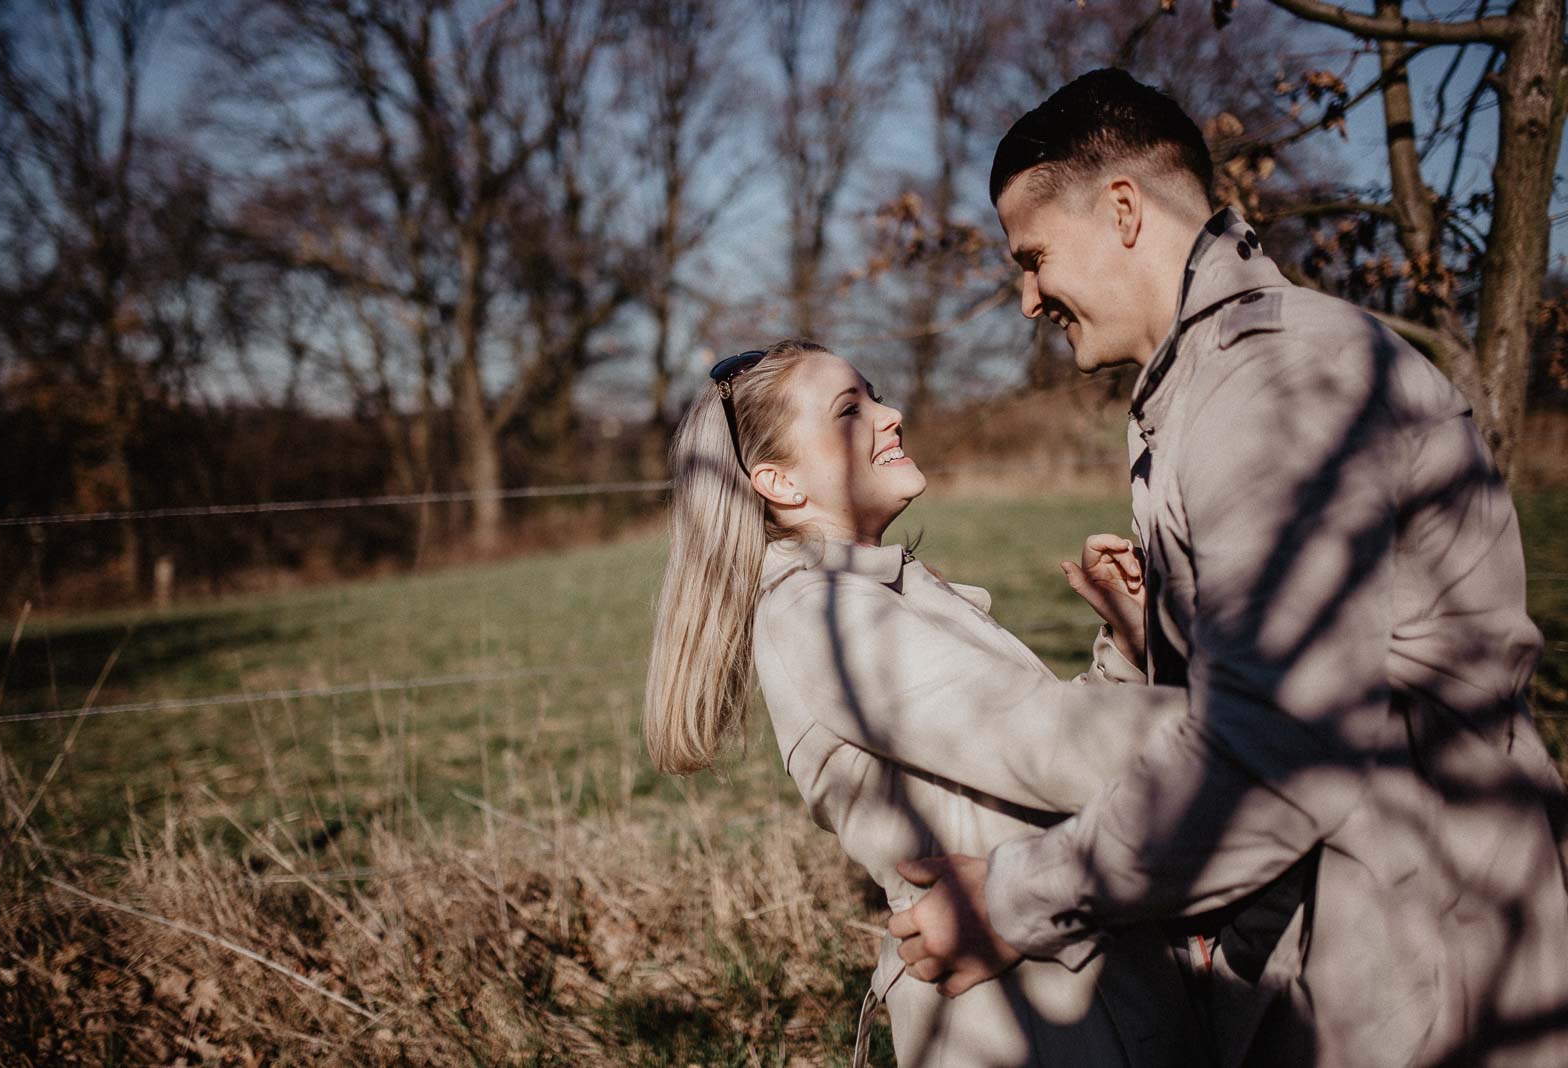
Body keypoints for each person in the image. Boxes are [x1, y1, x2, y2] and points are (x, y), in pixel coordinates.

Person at [888, 68, 1568, 1067]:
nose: (1027, 297)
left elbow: (1270, 753)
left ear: (1123, 209)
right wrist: (1158, 640)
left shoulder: (1277, 387)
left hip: (1423, 971)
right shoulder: (1202, 390)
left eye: (1032, 258)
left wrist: (1011, 898)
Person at [643, 338, 1204, 1066]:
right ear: (779, 483)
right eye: (851, 410)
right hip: (1033, 1018)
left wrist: (1127, 652)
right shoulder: (827, 620)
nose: (892, 414)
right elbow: (1054, 750)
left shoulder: (875, 593)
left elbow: (1015, 763)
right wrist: (1267, 716)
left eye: (875, 395)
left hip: (1068, 988)